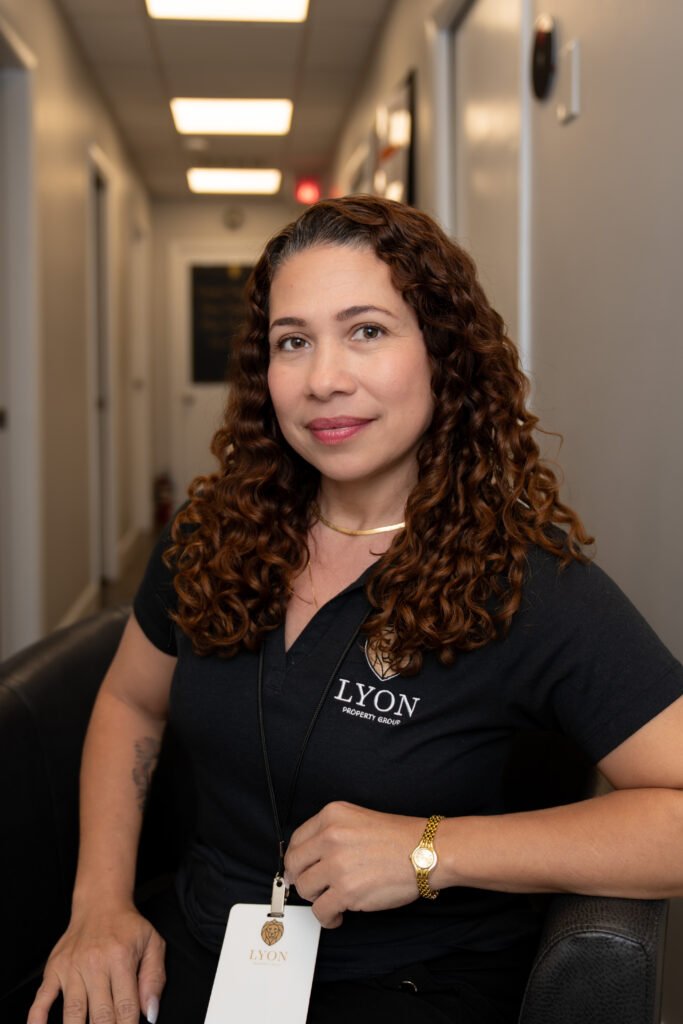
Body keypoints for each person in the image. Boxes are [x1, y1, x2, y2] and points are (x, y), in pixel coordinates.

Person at [29, 196, 683, 1024]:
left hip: (408, 983)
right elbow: (129, 702)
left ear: (442, 353)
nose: (323, 377)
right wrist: (100, 909)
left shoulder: (526, 583)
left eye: (366, 330)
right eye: (292, 342)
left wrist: (430, 850)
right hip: (195, 954)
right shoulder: (213, 533)